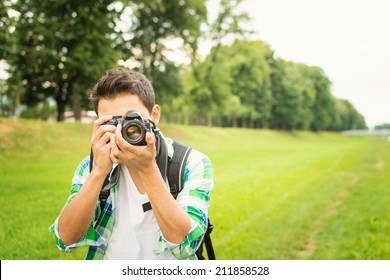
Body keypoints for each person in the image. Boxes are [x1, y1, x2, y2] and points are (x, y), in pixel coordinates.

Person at [49, 68, 214, 260]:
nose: (122, 130)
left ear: (154, 115)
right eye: (113, 122)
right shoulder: (90, 166)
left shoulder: (190, 164)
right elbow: (66, 240)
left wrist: (148, 169)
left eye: (131, 120)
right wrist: (98, 173)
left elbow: (185, 246)